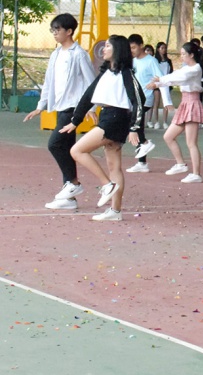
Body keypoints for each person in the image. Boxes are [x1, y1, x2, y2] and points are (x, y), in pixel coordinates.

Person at [62, 35, 147, 221]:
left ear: (117, 49)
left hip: (115, 119)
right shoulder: (106, 72)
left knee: (77, 150)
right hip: (108, 115)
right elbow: (88, 96)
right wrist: (75, 121)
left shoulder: (126, 73)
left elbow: (139, 100)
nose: (104, 49)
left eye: (108, 46)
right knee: (114, 166)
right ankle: (115, 211)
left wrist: (134, 128)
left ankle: (107, 185)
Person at [24, 13, 97, 210]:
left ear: (69, 31)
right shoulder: (56, 54)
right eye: (53, 30)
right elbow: (49, 82)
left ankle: (73, 184)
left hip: (73, 109)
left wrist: (91, 107)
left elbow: (91, 83)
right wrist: (40, 106)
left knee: (55, 144)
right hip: (60, 107)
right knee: (66, 148)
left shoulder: (79, 54)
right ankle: (69, 198)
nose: (54, 33)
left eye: (57, 30)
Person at [146, 41, 203, 183]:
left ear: (191, 55)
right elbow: (176, 76)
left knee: (191, 143)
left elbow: (179, 78)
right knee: (168, 136)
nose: (182, 57)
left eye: (184, 54)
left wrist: (160, 80)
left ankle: (196, 174)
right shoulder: (186, 68)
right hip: (185, 103)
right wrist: (158, 83)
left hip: (192, 103)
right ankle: (180, 164)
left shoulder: (195, 68)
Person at [125, 34, 164, 173]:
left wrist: (154, 85)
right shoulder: (132, 61)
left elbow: (160, 78)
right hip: (134, 100)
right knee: (137, 126)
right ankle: (142, 162)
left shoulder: (151, 61)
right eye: (130, 48)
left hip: (145, 99)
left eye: (134, 47)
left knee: (134, 124)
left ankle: (145, 144)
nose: (132, 51)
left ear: (141, 45)